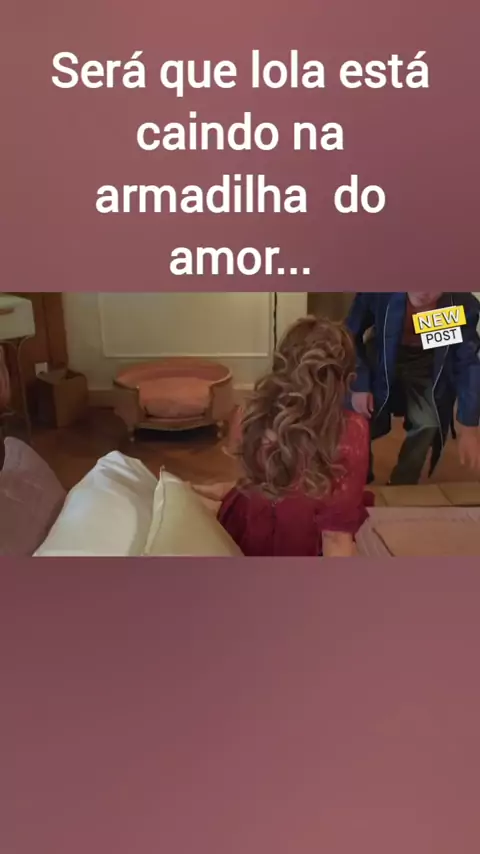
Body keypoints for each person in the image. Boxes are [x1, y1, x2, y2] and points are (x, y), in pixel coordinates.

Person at [195, 316, 372, 557]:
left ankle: (208, 495)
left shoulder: (249, 413)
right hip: (298, 539)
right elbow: (335, 538)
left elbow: (247, 479)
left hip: (248, 525)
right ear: (346, 379)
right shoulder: (352, 430)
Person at [346, 292, 480, 484]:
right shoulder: (379, 292)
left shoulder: (458, 304)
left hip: (424, 363)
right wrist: (359, 383)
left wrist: (469, 425)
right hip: (380, 357)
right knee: (359, 417)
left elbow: (466, 362)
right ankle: (360, 475)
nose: (423, 290)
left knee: (428, 423)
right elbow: (350, 334)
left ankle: (403, 482)